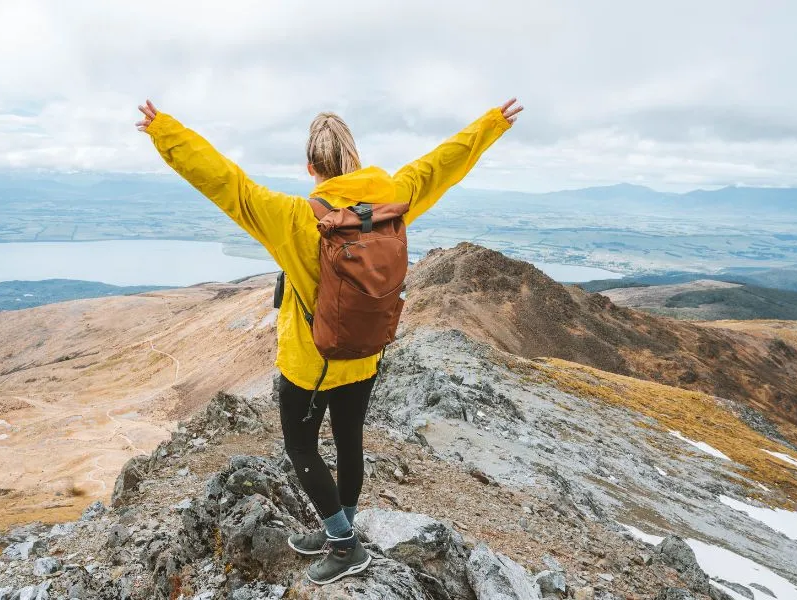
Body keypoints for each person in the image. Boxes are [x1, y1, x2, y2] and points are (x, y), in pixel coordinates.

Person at [136, 96, 522, 584]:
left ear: (310, 166)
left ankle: (343, 544)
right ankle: (339, 527)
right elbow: (439, 166)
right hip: (365, 354)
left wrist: (166, 132)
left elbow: (226, 182)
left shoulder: (294, 218)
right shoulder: (392, 200)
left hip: (311, 363)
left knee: (301, 448)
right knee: (348, 441)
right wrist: (491, 124)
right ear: (353, 158)